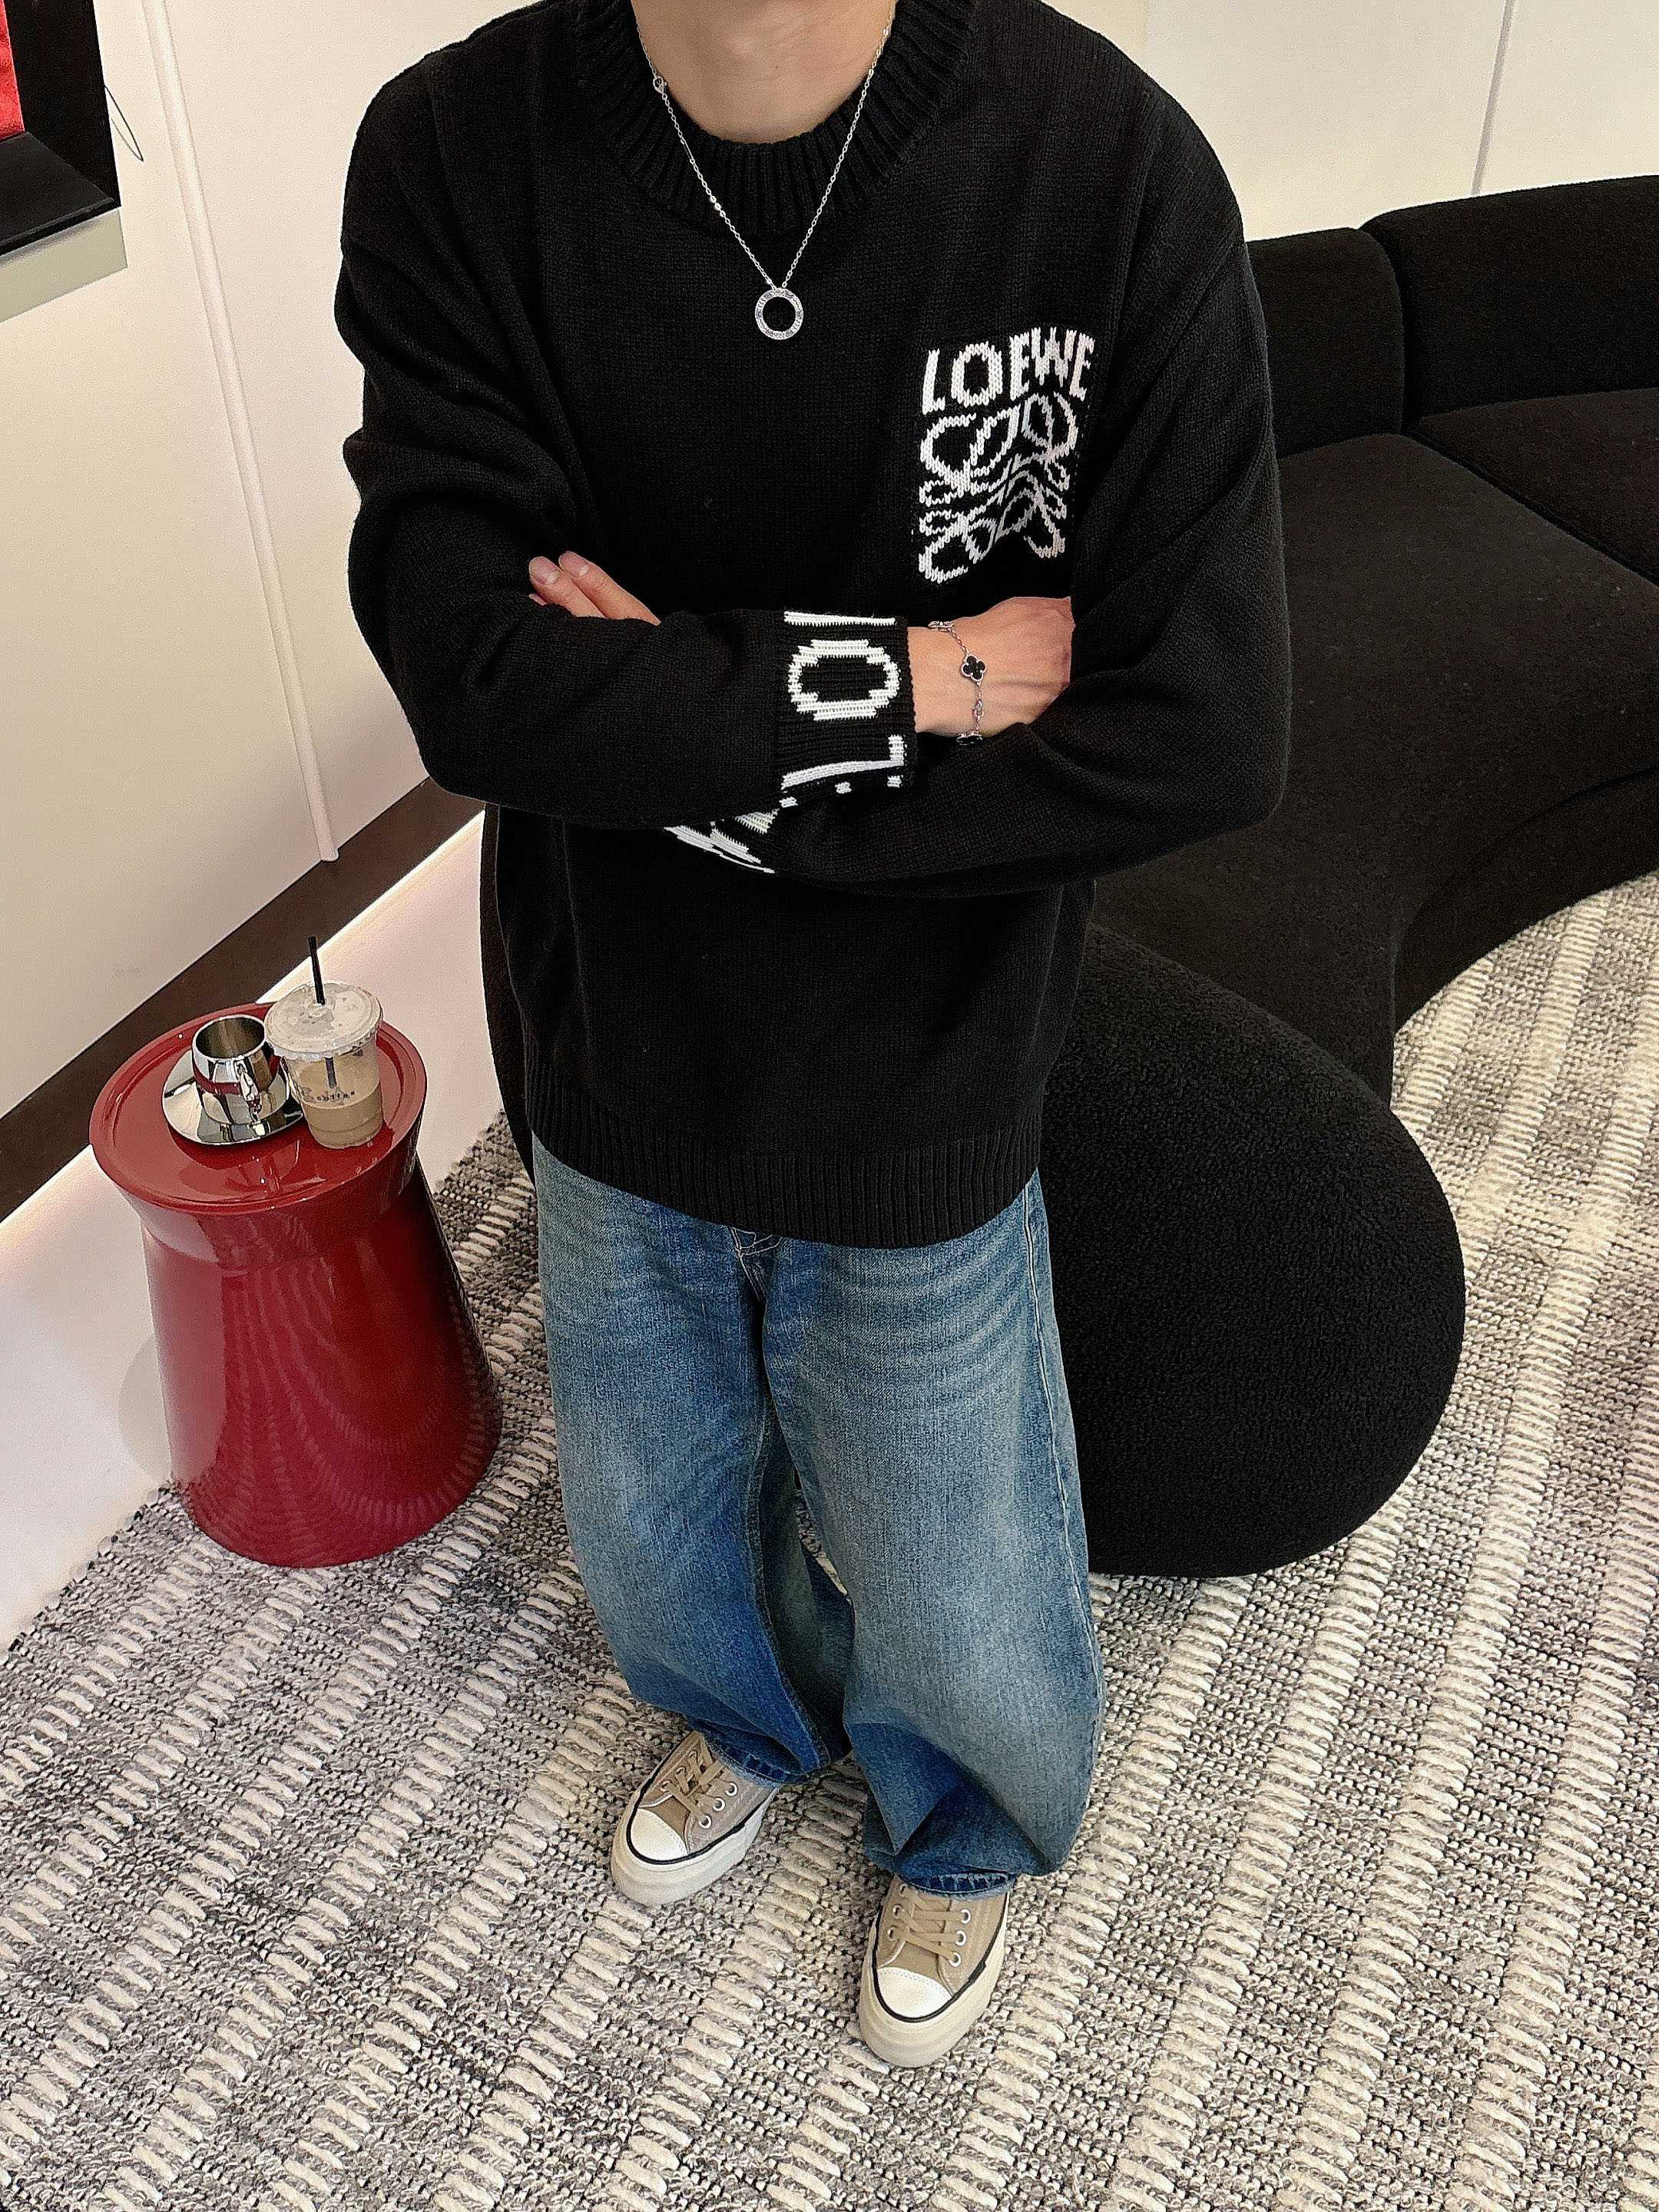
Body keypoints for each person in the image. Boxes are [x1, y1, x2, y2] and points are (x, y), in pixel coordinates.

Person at [333, 0, 1290, 2069]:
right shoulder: (453, 150)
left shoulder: (1106, 168)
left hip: (931, 1050)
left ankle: (971, 1820)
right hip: (610, 1027)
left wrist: (694, 749)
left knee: (952, 1532)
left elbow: (1203, 726)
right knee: (654, 1504)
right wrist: (920, 680)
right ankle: (744, 1717)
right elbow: (472, 681)